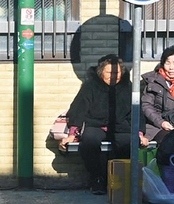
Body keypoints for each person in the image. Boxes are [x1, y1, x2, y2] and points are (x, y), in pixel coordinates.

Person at [59, 55, 148, 195]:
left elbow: (136, 112)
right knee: (89, 141)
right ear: (101, 73)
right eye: (109, 73)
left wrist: (139, 133)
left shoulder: (128, 87)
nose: (113, 76)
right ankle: (97, 178)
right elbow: (79, 109)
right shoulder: (90, 86)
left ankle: (119, 178)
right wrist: (72, 134)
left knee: (127, 142)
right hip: (96, 124)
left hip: (121, 126)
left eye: (116, 73)